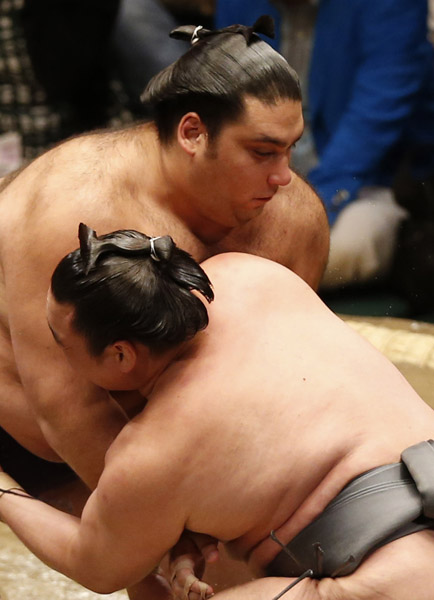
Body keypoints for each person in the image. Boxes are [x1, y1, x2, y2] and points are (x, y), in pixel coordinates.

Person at [1, 224, 434, 600]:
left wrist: (3, 493)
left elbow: (93, 564)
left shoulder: (154, 452)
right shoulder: (250, 274)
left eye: (59, 341)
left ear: (120, 355)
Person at [0, 18, 328, 491]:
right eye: (262, 152)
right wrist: (170, 522)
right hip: (34, 439)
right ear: (192, 133)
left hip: (183, 435)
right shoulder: (69, 207)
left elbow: (289, 375)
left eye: (290, 149)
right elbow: (70, 409)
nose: (283, 178)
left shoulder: (296, 220)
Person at [216, 0, 434, 290]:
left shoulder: (392, 5)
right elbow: (226, 100)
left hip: (363, 185)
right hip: (260, 177)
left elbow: (374, 116)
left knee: (336, 249)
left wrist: (302, 211)